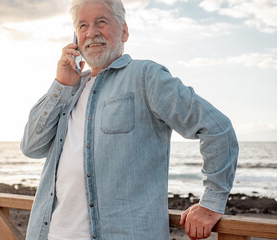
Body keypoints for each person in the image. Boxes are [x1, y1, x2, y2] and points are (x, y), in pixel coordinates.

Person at [20, 0, 239, 239]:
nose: (91, 32)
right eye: (82, 25)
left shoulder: (146, 77)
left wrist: (211, 203)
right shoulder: (68, 89)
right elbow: (31, 147)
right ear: (75, 36)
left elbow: (217, 128)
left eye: (101, 22)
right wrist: (60, 85)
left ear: (124, 31)